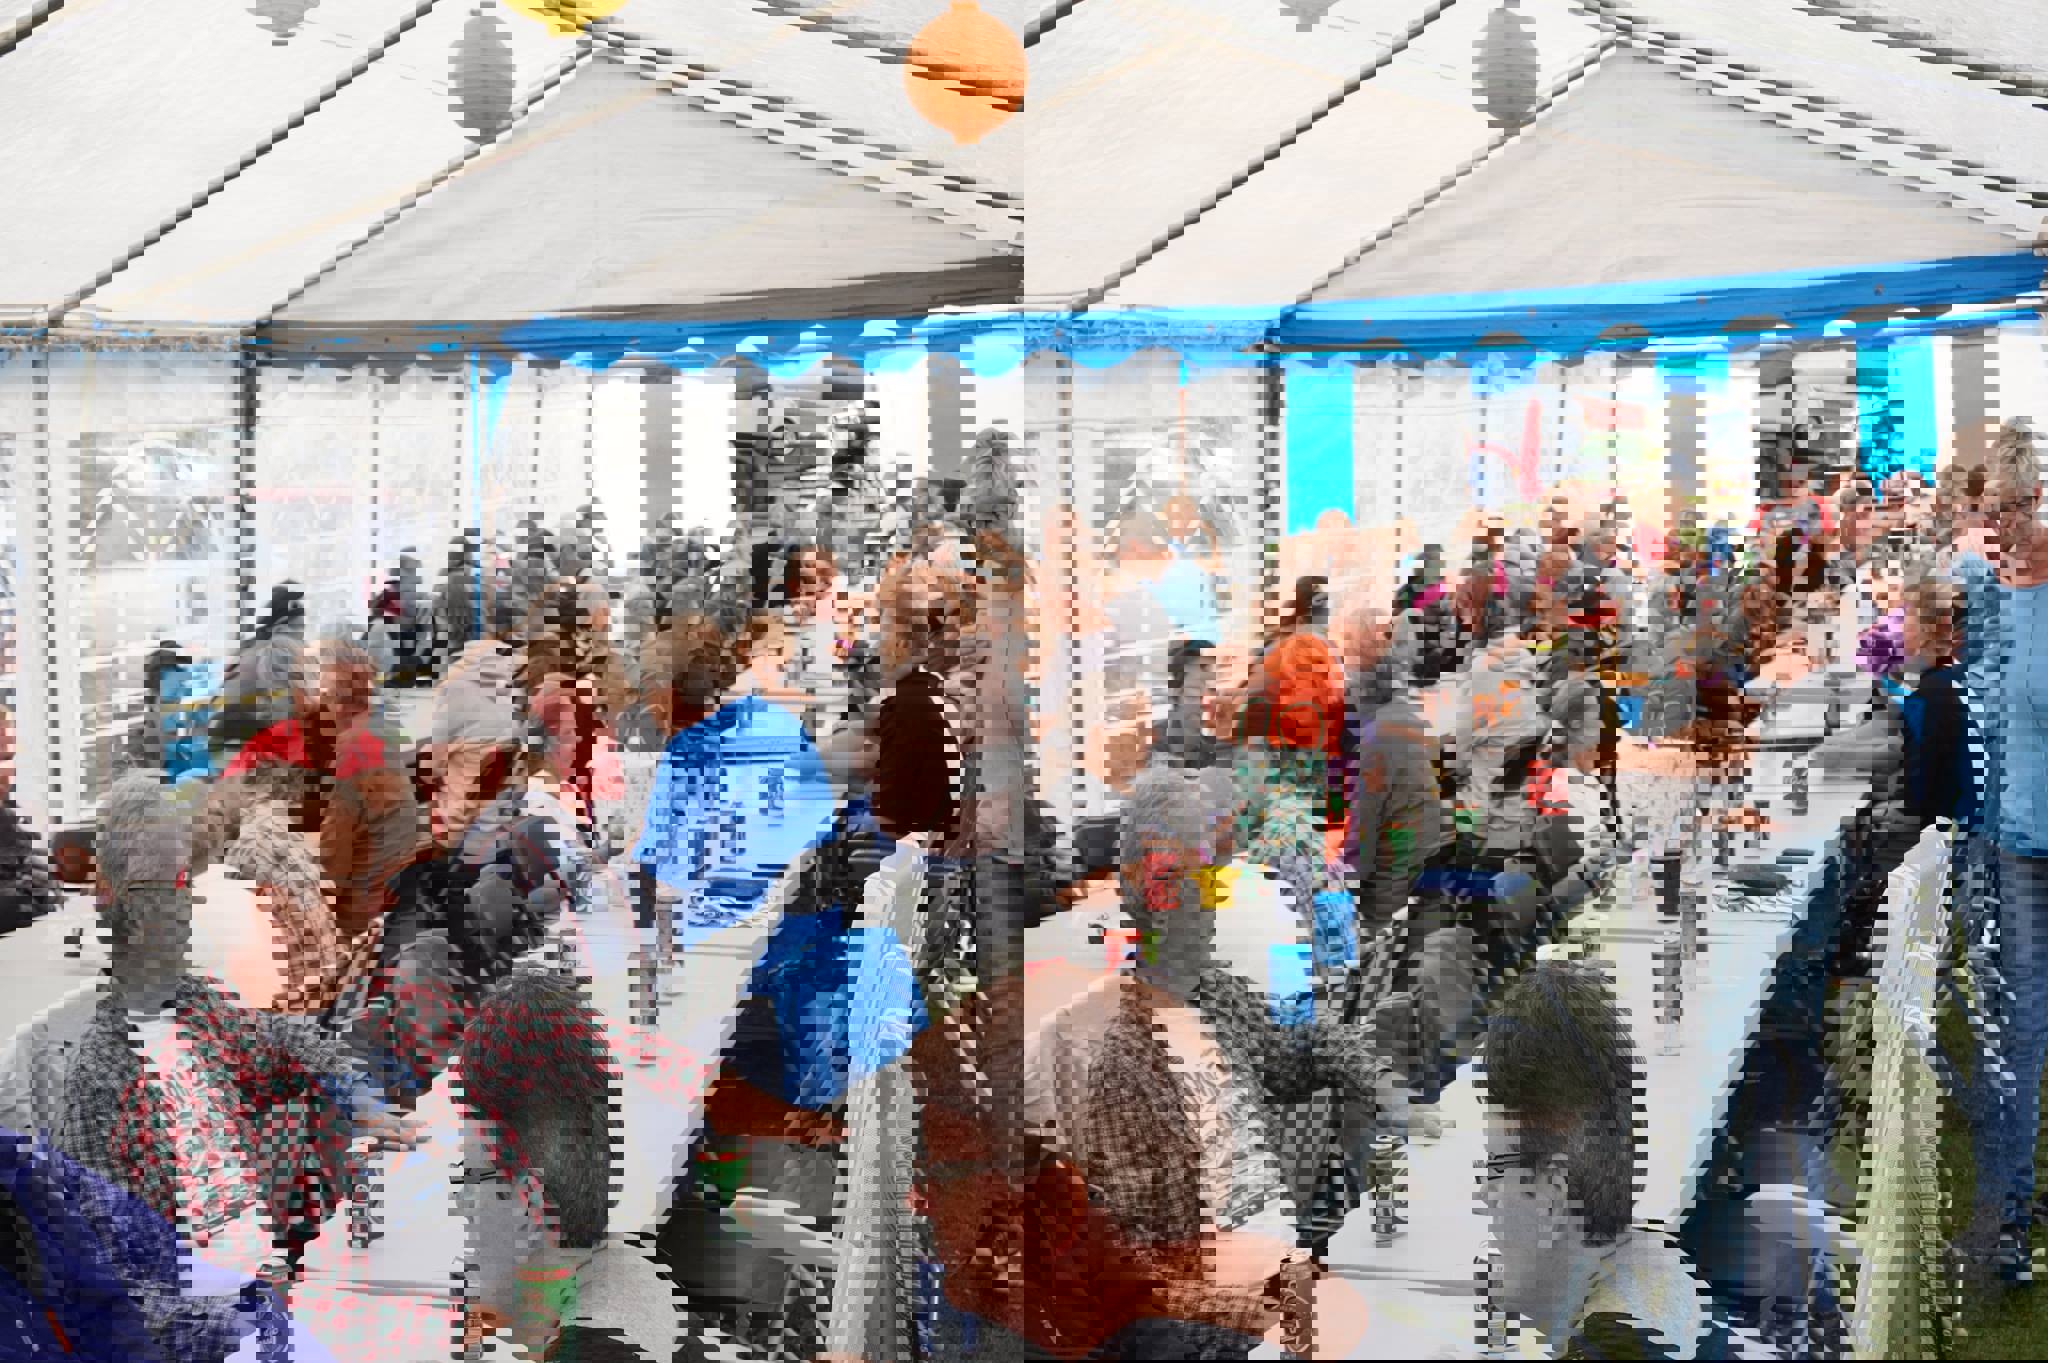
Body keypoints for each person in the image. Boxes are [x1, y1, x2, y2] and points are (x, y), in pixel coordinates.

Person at [55, 771, 416, 1288]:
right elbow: (111, 1262)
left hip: (256, 1276)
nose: (176, 908)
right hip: (202, 1299)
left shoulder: (197, 1008)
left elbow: (282, 1037)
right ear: (111, 900)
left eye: (180, 886)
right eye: (154, 891)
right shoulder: (99, 1077)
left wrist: (353, 1092)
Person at [1481, 960, 1722, 1358]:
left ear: (1552, 1194)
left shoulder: (1609, 1346)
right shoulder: (1662, 1267)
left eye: (1494, 1169)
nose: (1485, 1197)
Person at [1945, 421, 2048, 1285]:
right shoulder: (1984, 590)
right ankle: (2009, 1220)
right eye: (1994, 510)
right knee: (2017, 1031)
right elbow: (1974, 693)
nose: (2004, 525)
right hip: (2009, 841)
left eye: (2016, 507)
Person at [454, 965, 617, 1359]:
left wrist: (472, 1335)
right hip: (584, 1275)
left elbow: (492, 1295)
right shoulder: (588, 1104)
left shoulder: (496, 1145)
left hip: (542, 1315)